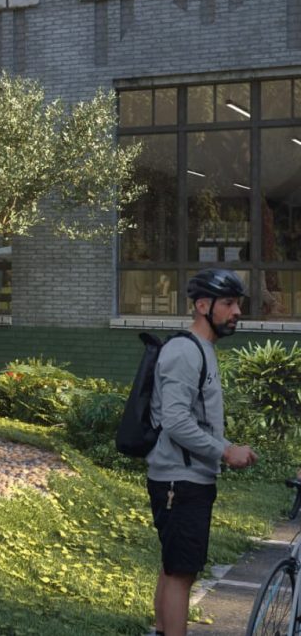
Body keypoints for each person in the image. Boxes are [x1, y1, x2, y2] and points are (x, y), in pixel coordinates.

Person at [147, 268, 257, 636]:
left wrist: (226, 449)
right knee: (181, 573)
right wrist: (225, 452)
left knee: (174, 567)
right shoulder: (184, 351)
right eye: (228, 304)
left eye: (237, 303)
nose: (236, 311)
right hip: (181, 480)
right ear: (202, 305)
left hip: (186, 477)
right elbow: (176, 422)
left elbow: (192, 421)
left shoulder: (201, 349)